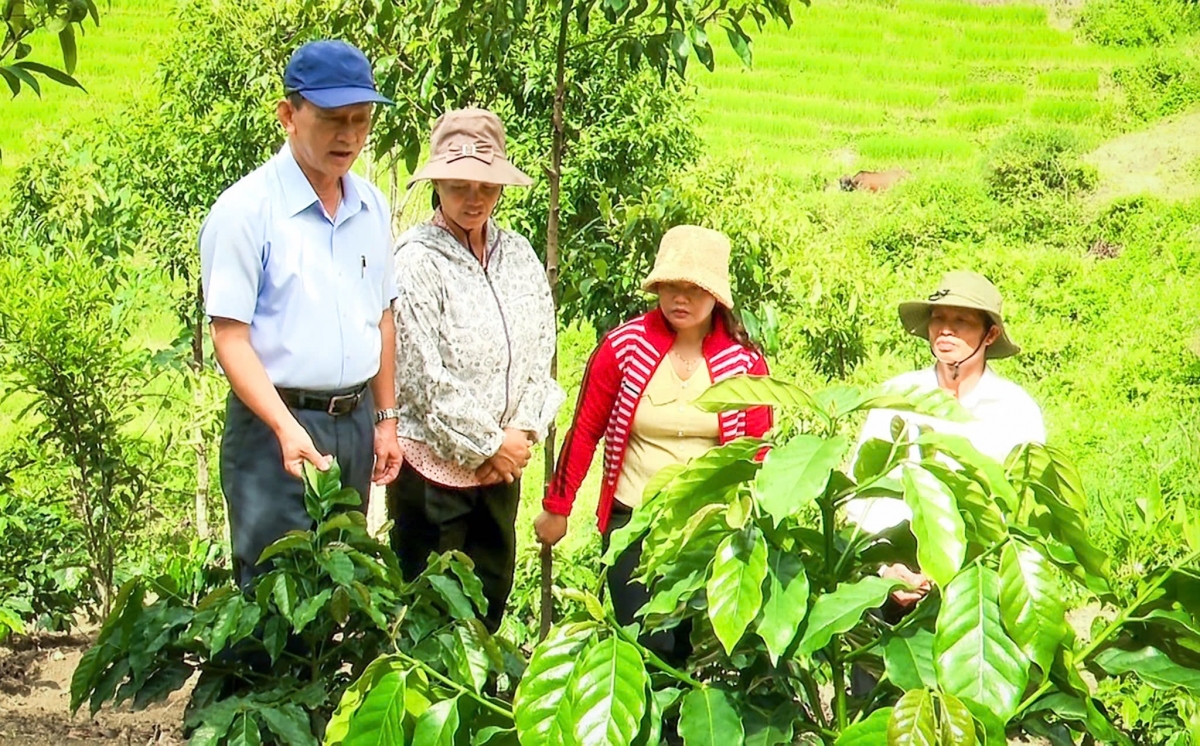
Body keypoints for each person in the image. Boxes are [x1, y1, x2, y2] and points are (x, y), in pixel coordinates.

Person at [199, 40, 403, 589]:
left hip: (354, 423)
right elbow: (230, 337)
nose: (350, 137)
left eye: (361, 121)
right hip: (274, 428)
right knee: (273, 594)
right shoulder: (247, 211)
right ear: (289, 115)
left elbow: (381, 316)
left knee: (340, 590)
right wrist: (286, 428)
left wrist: (385, 420)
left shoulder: (371, 207)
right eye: (333, 120)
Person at [536, 225, 772, 663]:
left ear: (716, 296)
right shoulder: (624, 348)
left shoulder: (744, 362)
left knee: (690, 650)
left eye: (693, 289)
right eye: (671, 287)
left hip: (707, 530)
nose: (680, 299)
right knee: (645, 645)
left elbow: (759, 452)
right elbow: (585, 429)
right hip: (632, 524)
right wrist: (558, 507)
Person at [387, 108, 564, 633]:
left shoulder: (519, 256)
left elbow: (541, 351)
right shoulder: (418, 259)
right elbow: (421, 377)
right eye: (459, 185)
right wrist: (489, 443)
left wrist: (520, 434)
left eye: (486, 186)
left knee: (488, 607)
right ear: (437, 183)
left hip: (502, 472)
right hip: (434, 473)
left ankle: (478, 713)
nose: (474, 198)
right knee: (429, 618)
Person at [848, 270, 1045, 607]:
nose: (946, 329)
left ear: (990, 334)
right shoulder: (897, 395)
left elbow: (1025, 509)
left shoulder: (1015, 410)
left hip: (978, 581)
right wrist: (887, 571)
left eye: (962, 321)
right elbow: (861, 495)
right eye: (938, 318)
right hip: (893, 575)